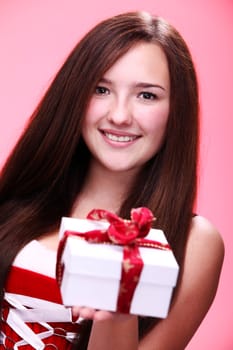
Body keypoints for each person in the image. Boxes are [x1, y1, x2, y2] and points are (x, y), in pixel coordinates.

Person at [0, 10, 224, 350]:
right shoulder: (22, 196)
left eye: (146, 95)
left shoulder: (195, 242)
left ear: (176, 110)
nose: (119, 116)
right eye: (101, 89)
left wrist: (118, 309)